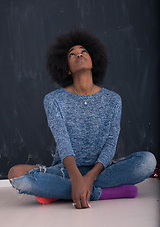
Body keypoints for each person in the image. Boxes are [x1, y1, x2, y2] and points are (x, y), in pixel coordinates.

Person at [8, 29, 157, 209]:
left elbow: (111, 143)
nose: (79, 54)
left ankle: (62, 193)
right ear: (67, 69)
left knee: (148, 162)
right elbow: (62, 141)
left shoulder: (113, 99)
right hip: (66, 171)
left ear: (93, 60)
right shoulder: (53, 99)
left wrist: (90, 177)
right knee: (15, 174)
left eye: (83, 51)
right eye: (72, 54)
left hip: (102, 170)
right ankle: (102, 193)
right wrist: (76, 178)